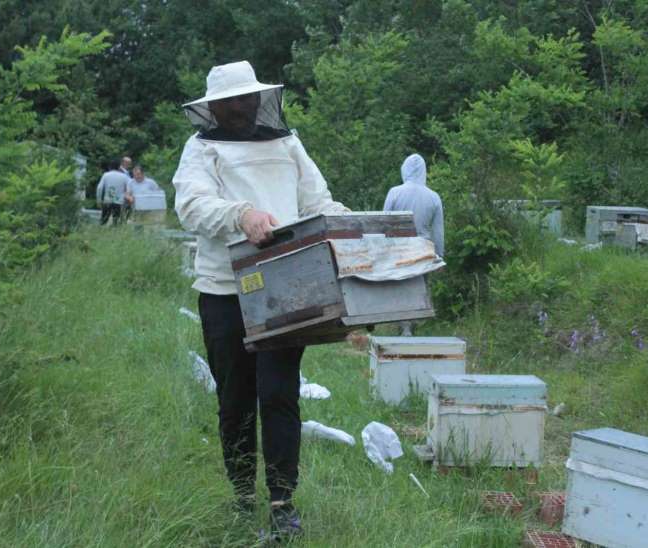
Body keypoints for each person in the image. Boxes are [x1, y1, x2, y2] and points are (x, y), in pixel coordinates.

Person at [172, 60, 348, 539]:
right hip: (225, 291)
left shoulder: (287, 143)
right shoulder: (200, 149)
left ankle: (281, 501)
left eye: (246, 99)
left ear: (258, 100)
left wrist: (353, 225)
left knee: (279, 394)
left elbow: (317, 201)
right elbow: (190, 205)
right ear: (213, 108)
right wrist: (241, 214)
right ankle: (242, 495)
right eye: (229, 102)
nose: (240, 109)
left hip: (286, 287)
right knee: (235, 399)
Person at [383, 153, 444, 335]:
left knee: (401, 286)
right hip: (423, 249)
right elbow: (438, 231)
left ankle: (404, 325)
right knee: (420, 286)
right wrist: (439, 256)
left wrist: (383, 249)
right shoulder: (433, 197)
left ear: (405, 170)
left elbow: (384, 223)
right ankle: (413, 323)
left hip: (398, 248)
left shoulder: (394, 192)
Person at [96, 159, 130, 225]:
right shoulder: (124, 176)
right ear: (119, 167)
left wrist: (99, 200)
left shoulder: (106, 175)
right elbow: (130, 187)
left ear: (110, 166)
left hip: (107, 201)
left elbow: (99, 188)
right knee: (116, 222)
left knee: (103, 221)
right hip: (119, 202)